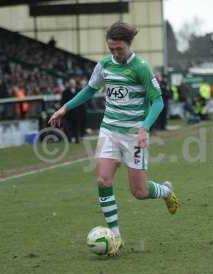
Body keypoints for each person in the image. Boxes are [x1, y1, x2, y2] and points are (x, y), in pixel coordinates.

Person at [48, 22, 179, 256]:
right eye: (111, 49)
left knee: (139, 192)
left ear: (128, 45)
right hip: (109, 130)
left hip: (133, 135)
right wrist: (65, 108)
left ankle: (166, 191)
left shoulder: (141, 68)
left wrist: (144, 128)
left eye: (118, 49)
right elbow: (89, 89)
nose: (115, 53)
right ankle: (115, 236)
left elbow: (157, 101)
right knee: (103, 181)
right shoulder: (105, 65)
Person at [60, 78, 83, 143]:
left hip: (77, 112)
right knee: (68, 127)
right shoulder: (65, 92)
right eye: (71, 83)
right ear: (69, 84)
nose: (72, 84)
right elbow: (62, 102)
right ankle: (69, 139)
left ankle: (77, 139)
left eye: (73, 83)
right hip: (68, 112)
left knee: (77, 126)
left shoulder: (79, 90)